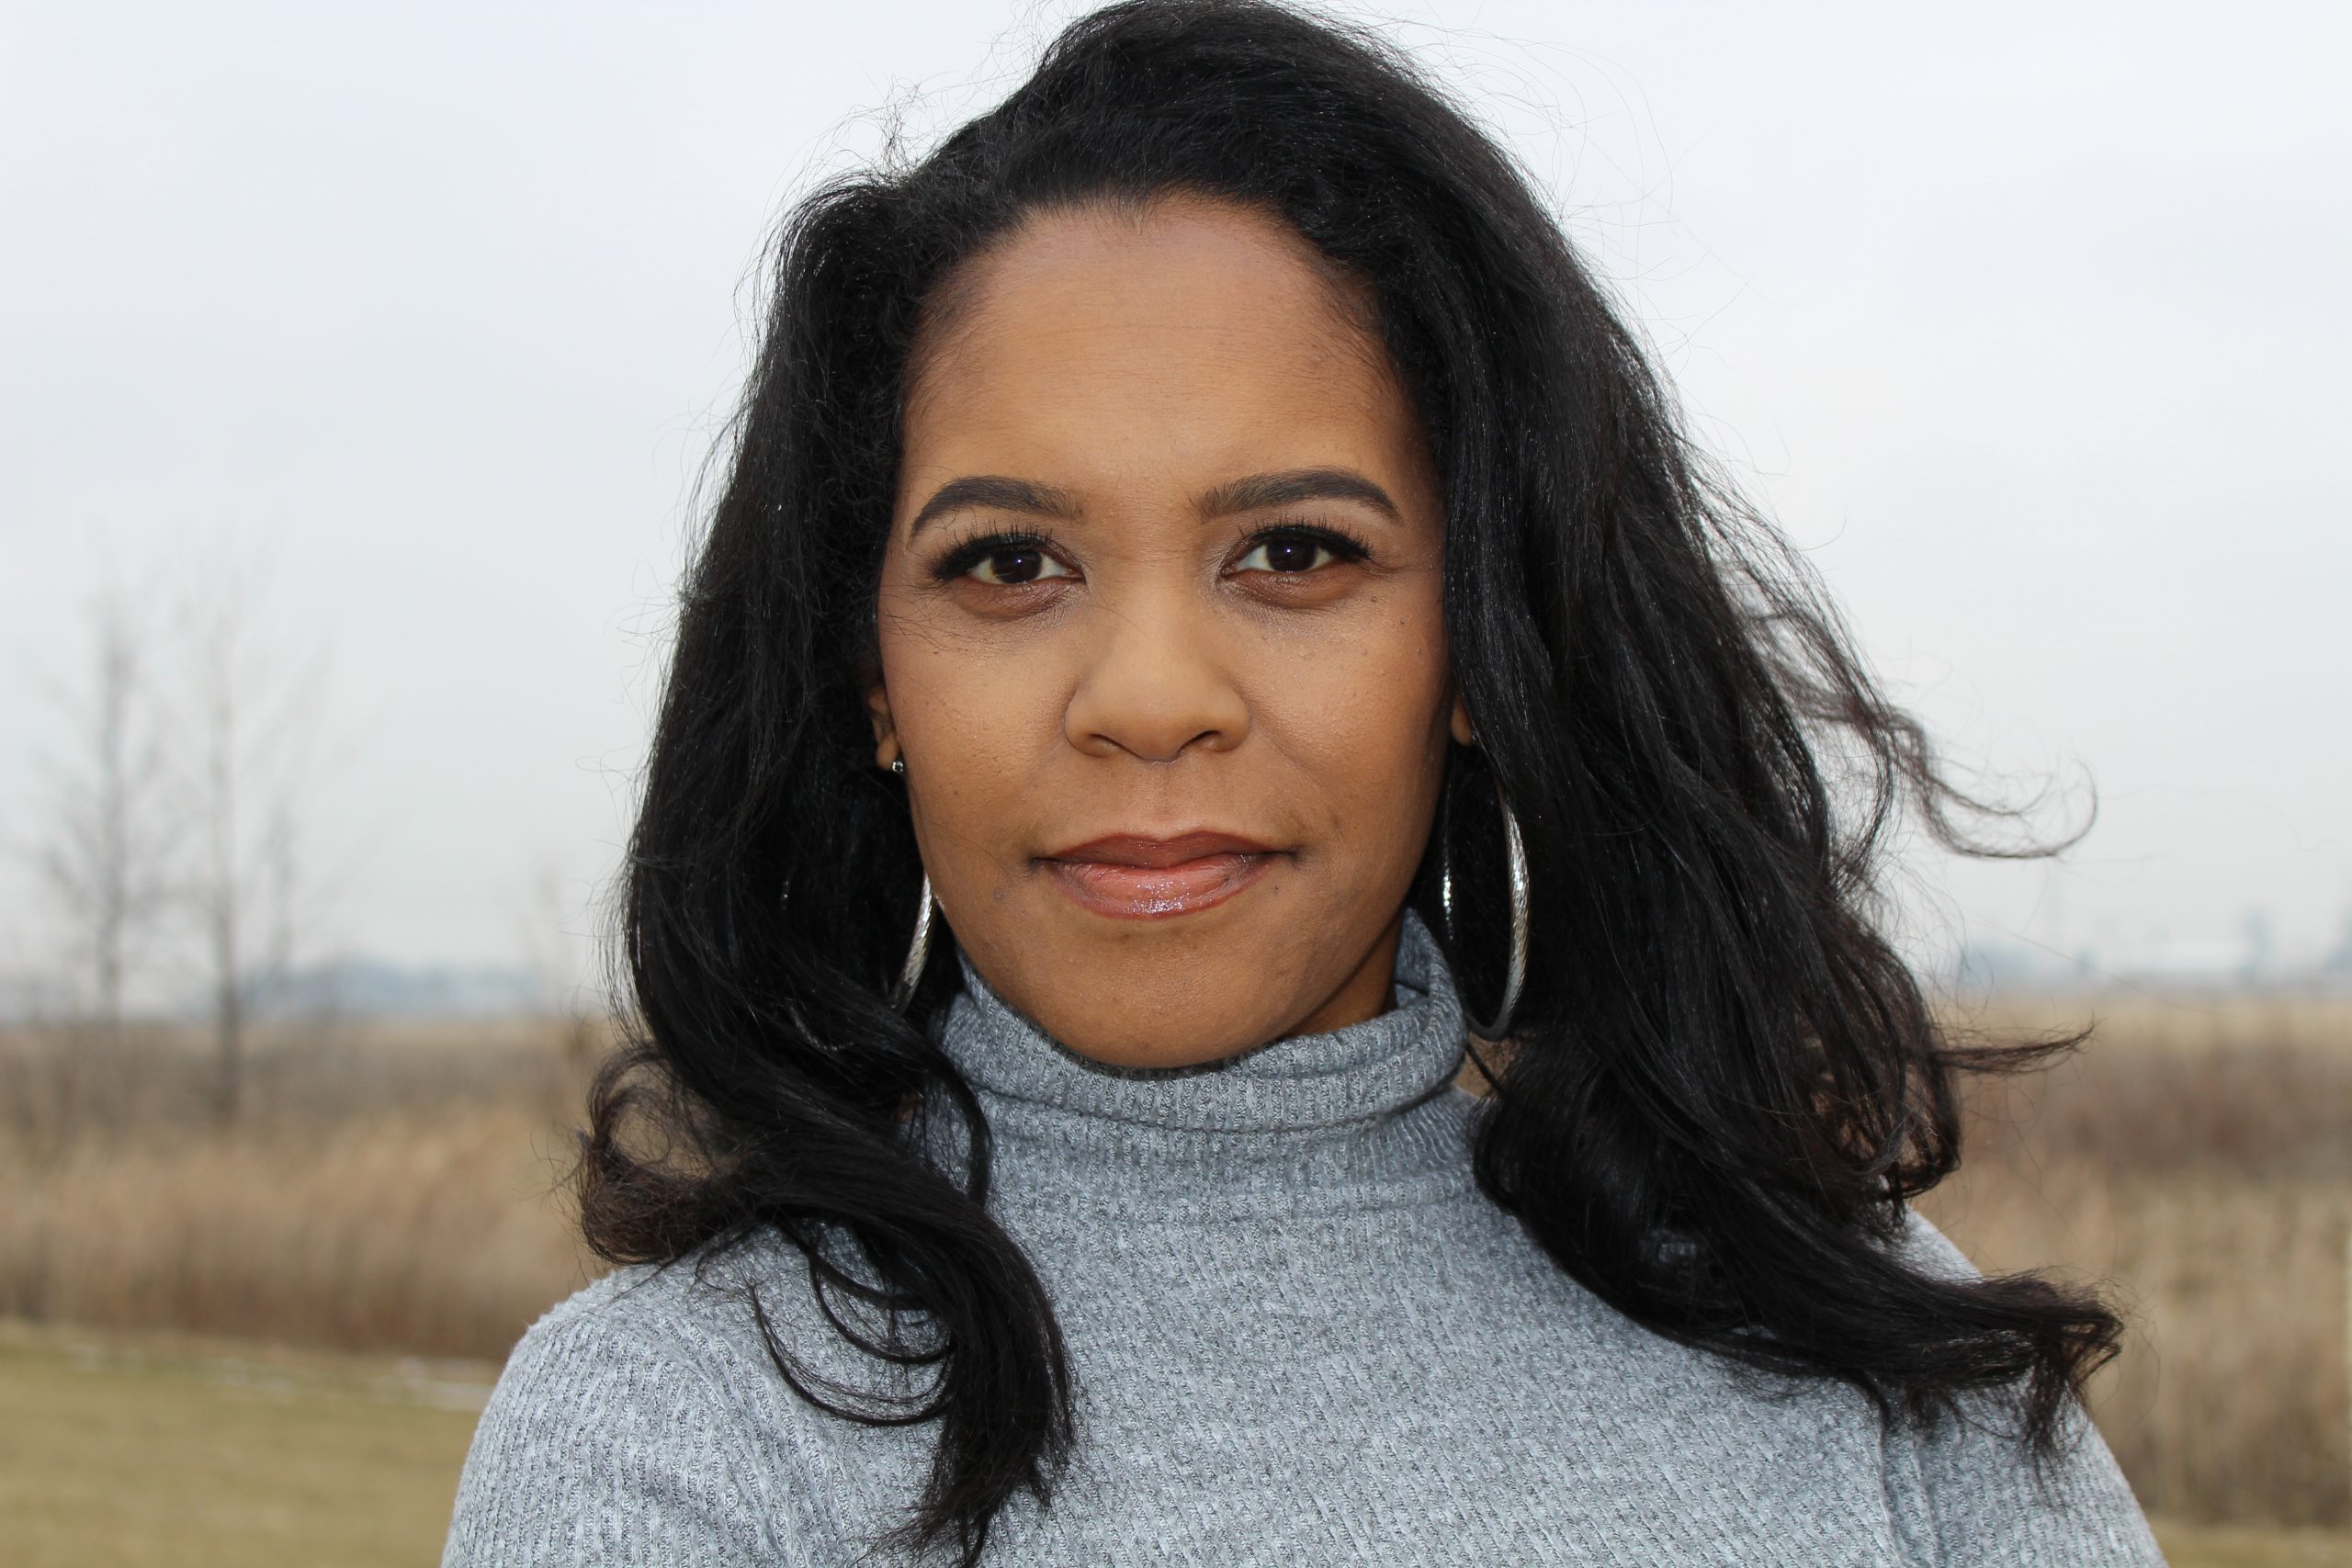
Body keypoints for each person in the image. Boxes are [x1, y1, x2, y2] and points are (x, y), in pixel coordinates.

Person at [441, 2, 2166, 1562]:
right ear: (869, 676)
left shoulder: (1873, 1355)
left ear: (1485, 647)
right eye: (1007, 565)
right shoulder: (677, 1440)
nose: (1149, 699)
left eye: (1292, 549)